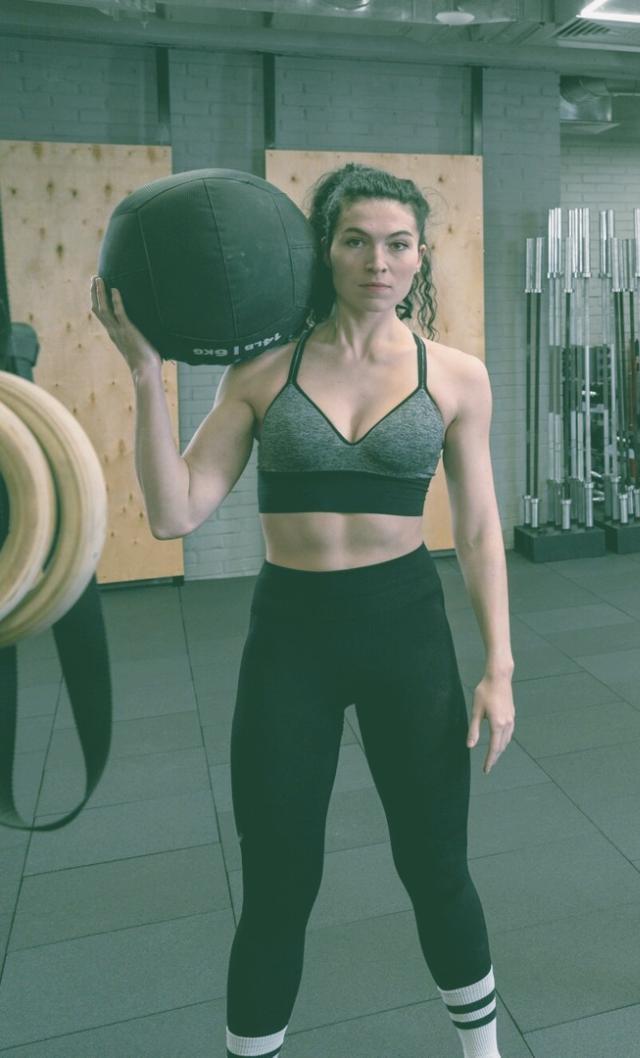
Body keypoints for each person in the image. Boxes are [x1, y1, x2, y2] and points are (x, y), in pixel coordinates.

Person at [91, 163, 514, 1058]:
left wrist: (499, 668)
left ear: (421, 256)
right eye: (355, 240)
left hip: (407, 628)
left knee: (436, 867)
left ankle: (483, 1051)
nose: (377, 261)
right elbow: (175, 513)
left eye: (397, 243)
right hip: (293, 639)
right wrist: (143, 373)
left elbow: (478, 531)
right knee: (280, 881)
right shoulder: (261, 372)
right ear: (324, 249)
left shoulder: (459, 377)